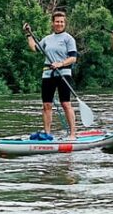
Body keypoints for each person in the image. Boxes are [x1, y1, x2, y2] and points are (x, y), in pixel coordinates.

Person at [23, 11, 78, 140]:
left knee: (65, 104)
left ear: (64, 23)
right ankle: (47, 133)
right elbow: (34, 48)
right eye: (57, 21)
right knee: (46, 105)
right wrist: (28, 34)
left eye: (61, 22)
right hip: (48, 74)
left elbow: (73, 58)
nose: (59, 24)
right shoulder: (47, 39)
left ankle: (73, 134)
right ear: (53, 23)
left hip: (63, 73)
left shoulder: (68, 38)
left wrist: (61, 63)